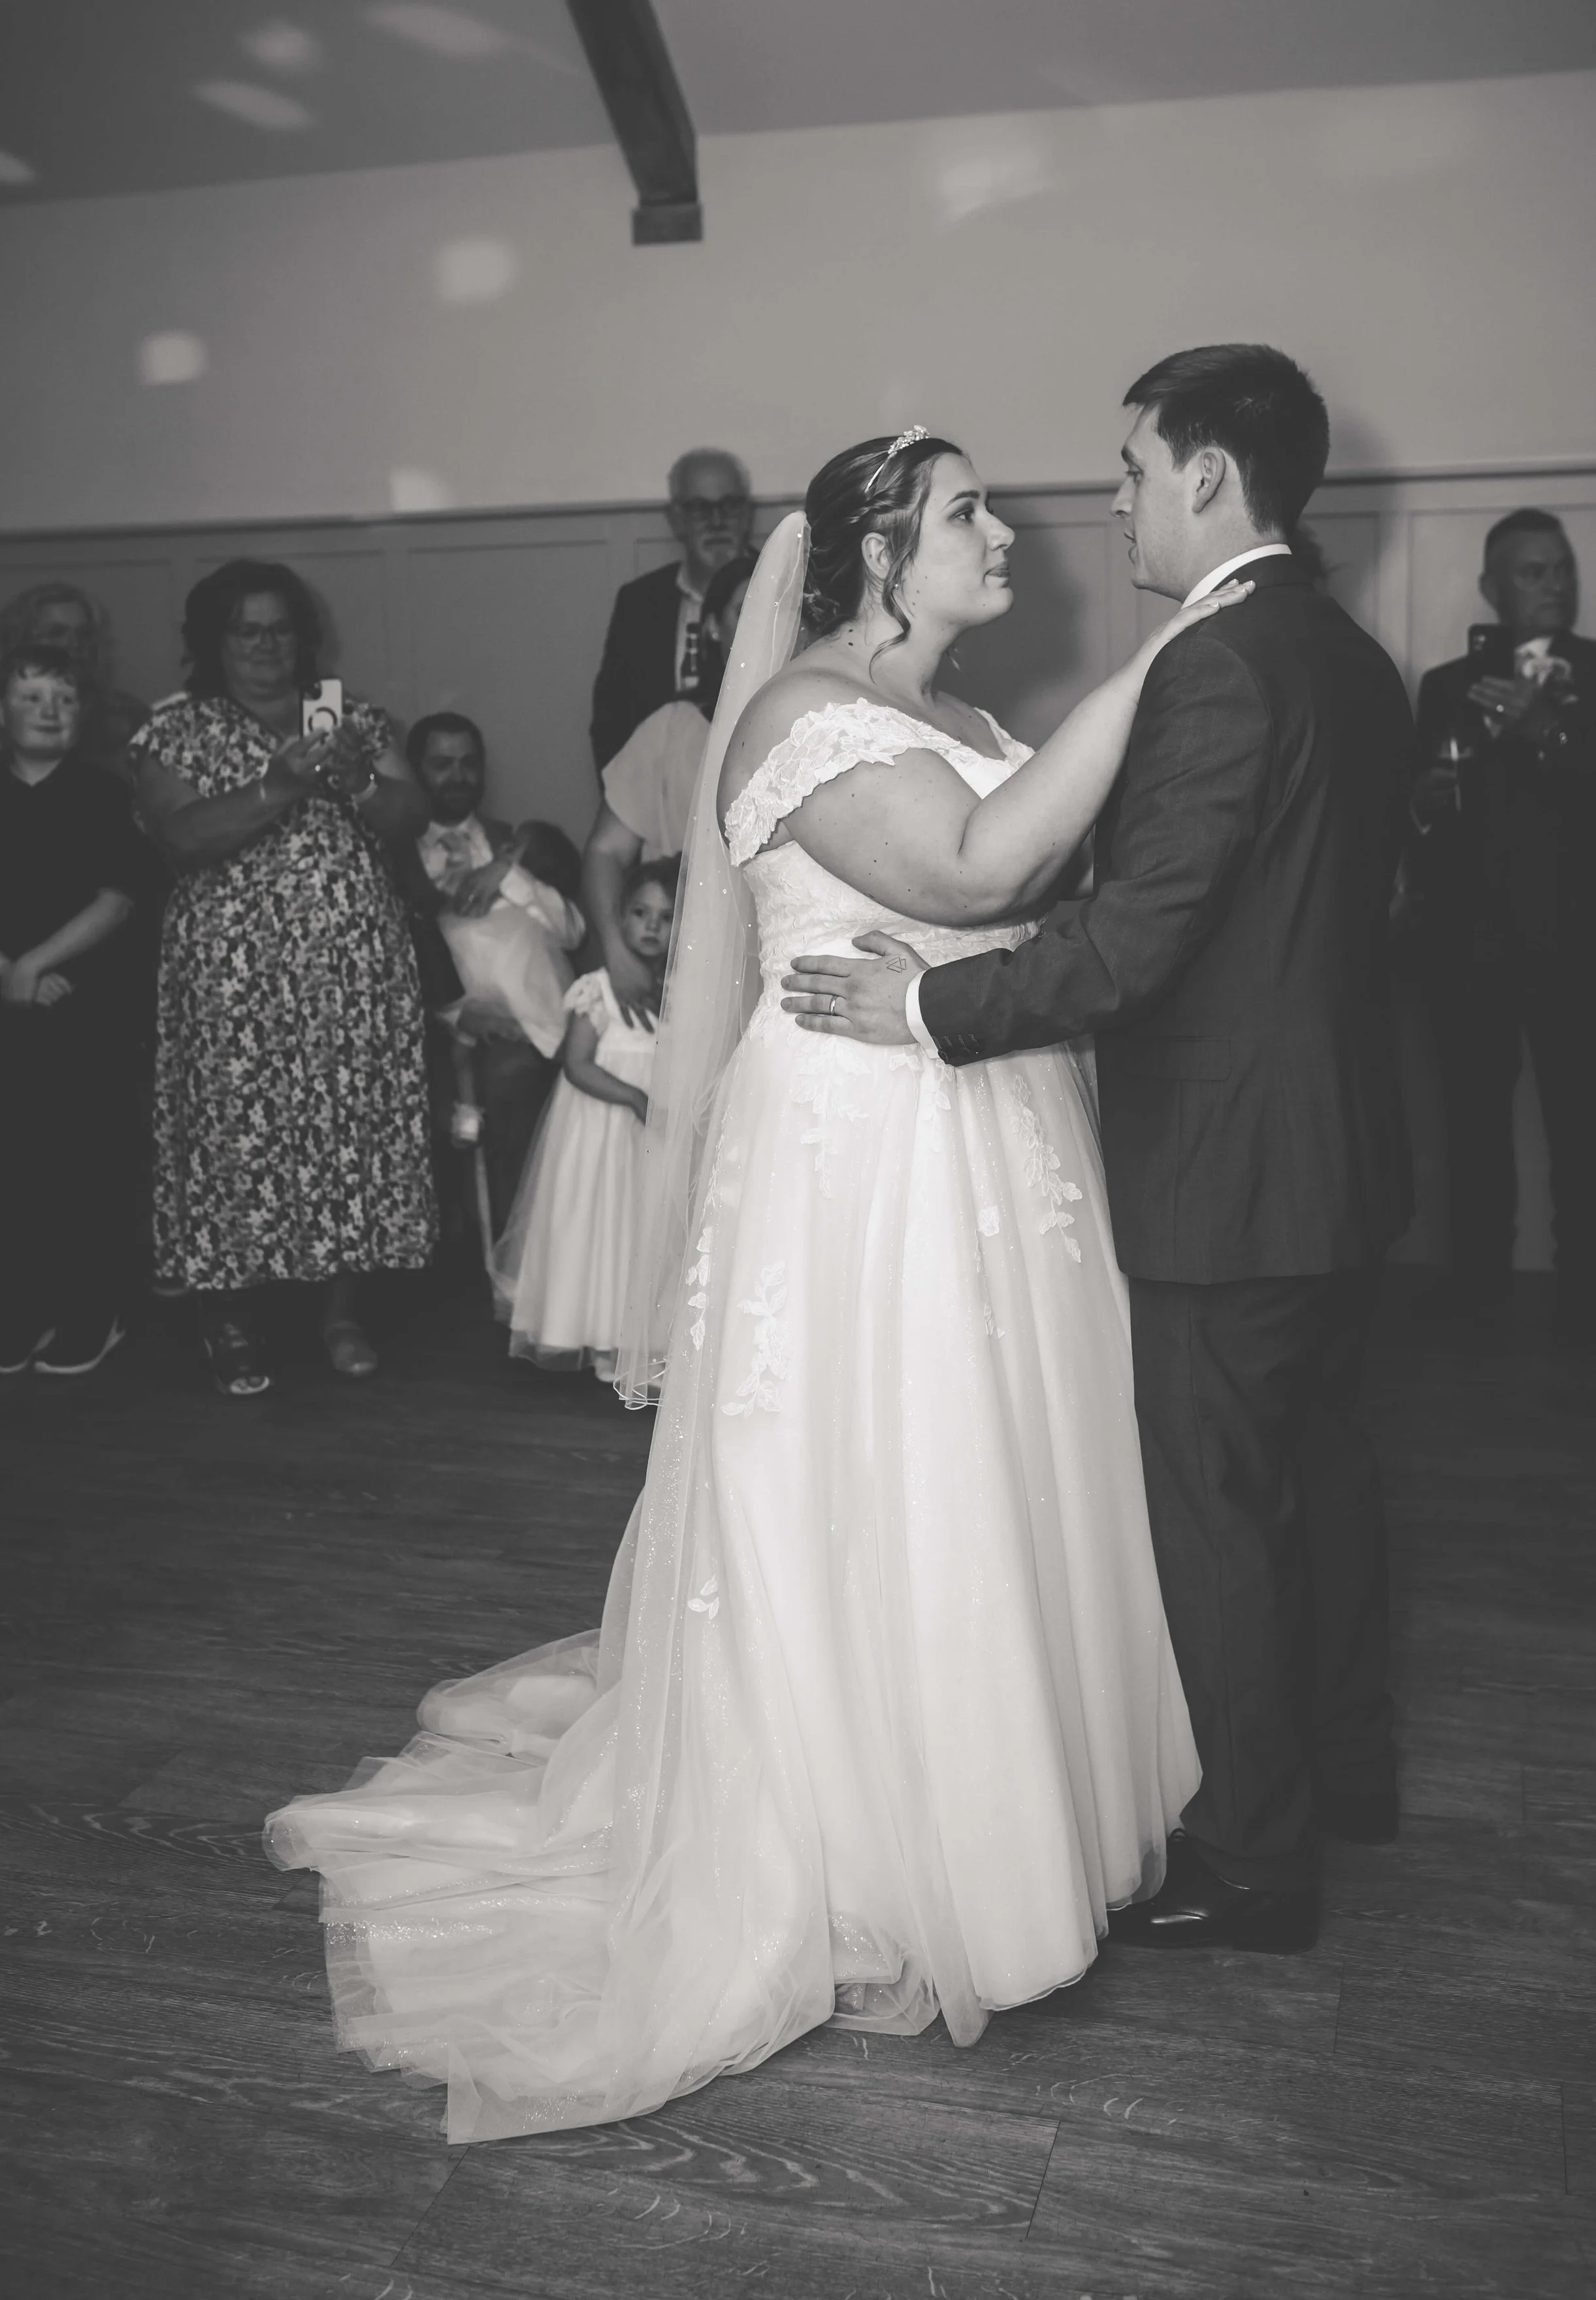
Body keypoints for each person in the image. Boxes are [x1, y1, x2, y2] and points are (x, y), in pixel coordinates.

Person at [267, 425, 1252, 2140]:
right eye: (965, 513)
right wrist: (1183, 640)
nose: (1002, 530)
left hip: (998, 1124)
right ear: (877, 550)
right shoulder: (799, 717)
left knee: (1012, 1461)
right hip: (857, 1153)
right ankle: (879, 1859)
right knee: (881, 1468)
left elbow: (1038, 889)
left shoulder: (967, 718)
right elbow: (976, 874)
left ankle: (1029, 1822)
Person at [789, 350, 1417, 1954]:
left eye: (1133, 466)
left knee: (1216, 1504)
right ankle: (1350, 1777)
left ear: (1209, 474)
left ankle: (1260, 1859)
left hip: (1228, 1165)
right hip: (1339, 1149)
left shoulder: (1217, 663)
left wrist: (929, 1003)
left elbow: (1136, 943)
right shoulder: (1349, 655)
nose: (1113, 497)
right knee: (1326, 1479)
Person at [131, 561, 435, 1396]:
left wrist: (359, 779)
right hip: (229, 979)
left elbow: (415, 817)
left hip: (349, 973)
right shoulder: (174, 732)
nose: (266, 644)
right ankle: (228, 1316)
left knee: (348, 1130)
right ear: (213, 642)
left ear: (305, 636)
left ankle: (341, 1312)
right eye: (245, 629)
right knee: (229, 1132)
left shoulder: (355, 721)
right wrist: (279, 782)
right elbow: (183, 837)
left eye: (279, 627)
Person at [1410, 511, 1596, 1346]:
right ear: (1491, 590)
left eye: (1562, 569)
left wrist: (1549, 731)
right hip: (1466, 945)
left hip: (1577, 944)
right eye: (1534, 572)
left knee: (1580, 1126)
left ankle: (1585, 1293)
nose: (1555, 585)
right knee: (1472, 1126)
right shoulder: (1445, 685)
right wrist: (1421, 806)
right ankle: (1476, 1287)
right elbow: (1416, 804)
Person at [0, 644, 148, 1375]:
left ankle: (96, 1311)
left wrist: (36, 963)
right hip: (9, 1008)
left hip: (87, 1007)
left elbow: (116, 899)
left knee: (84, 1162)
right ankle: (24, 1310)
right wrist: (9, 974)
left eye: (63, 697)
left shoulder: (100, 792)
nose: (50, 711)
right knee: (16, 1165)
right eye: (31, 697)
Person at [493, 857, 677, 1377]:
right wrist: (636, 1098)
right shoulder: (598, 988)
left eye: (664, 918)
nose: (650, 926)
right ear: (619, 918)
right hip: (601, 1132)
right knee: (598, 1228)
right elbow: (576, 1064)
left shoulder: (678, 991)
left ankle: (635, 1340)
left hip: (650, 1141)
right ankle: (596, 1338)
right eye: (640, 913)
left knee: (639, 1233)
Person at [406, 712, 578, 1236]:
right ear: (415, 771)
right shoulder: (395, 852)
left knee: (526, 1073)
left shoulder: (517, 842)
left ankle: (538, 1256)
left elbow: (571, 931)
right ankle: (494, 1255)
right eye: (441, 765)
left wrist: (511, 872)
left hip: (545, 1015)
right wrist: (458, 1015)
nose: (457, 776)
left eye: (468, 764)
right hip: (446, 1025)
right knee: (503, 1077)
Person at [582, 551, 755, 1023]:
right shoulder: (671, 728)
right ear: (714, 627)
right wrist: (619, 952)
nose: (764, 626)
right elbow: (605, 852)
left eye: (775, 612)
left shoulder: (816, 726)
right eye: (746, 611)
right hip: (680, 963)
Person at [589, 448, 754, 771]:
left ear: (747, 514)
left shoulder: (787, 587)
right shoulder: (639, 603)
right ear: (675, 519)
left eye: (729, 506)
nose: (717, 521)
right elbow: (612, 722)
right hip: (659, 798)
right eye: (700, 509)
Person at [0, 582, 150, 776]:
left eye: (84, 634)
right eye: (56, 633)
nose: (73, 644)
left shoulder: (125, 716)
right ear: (21, 639)